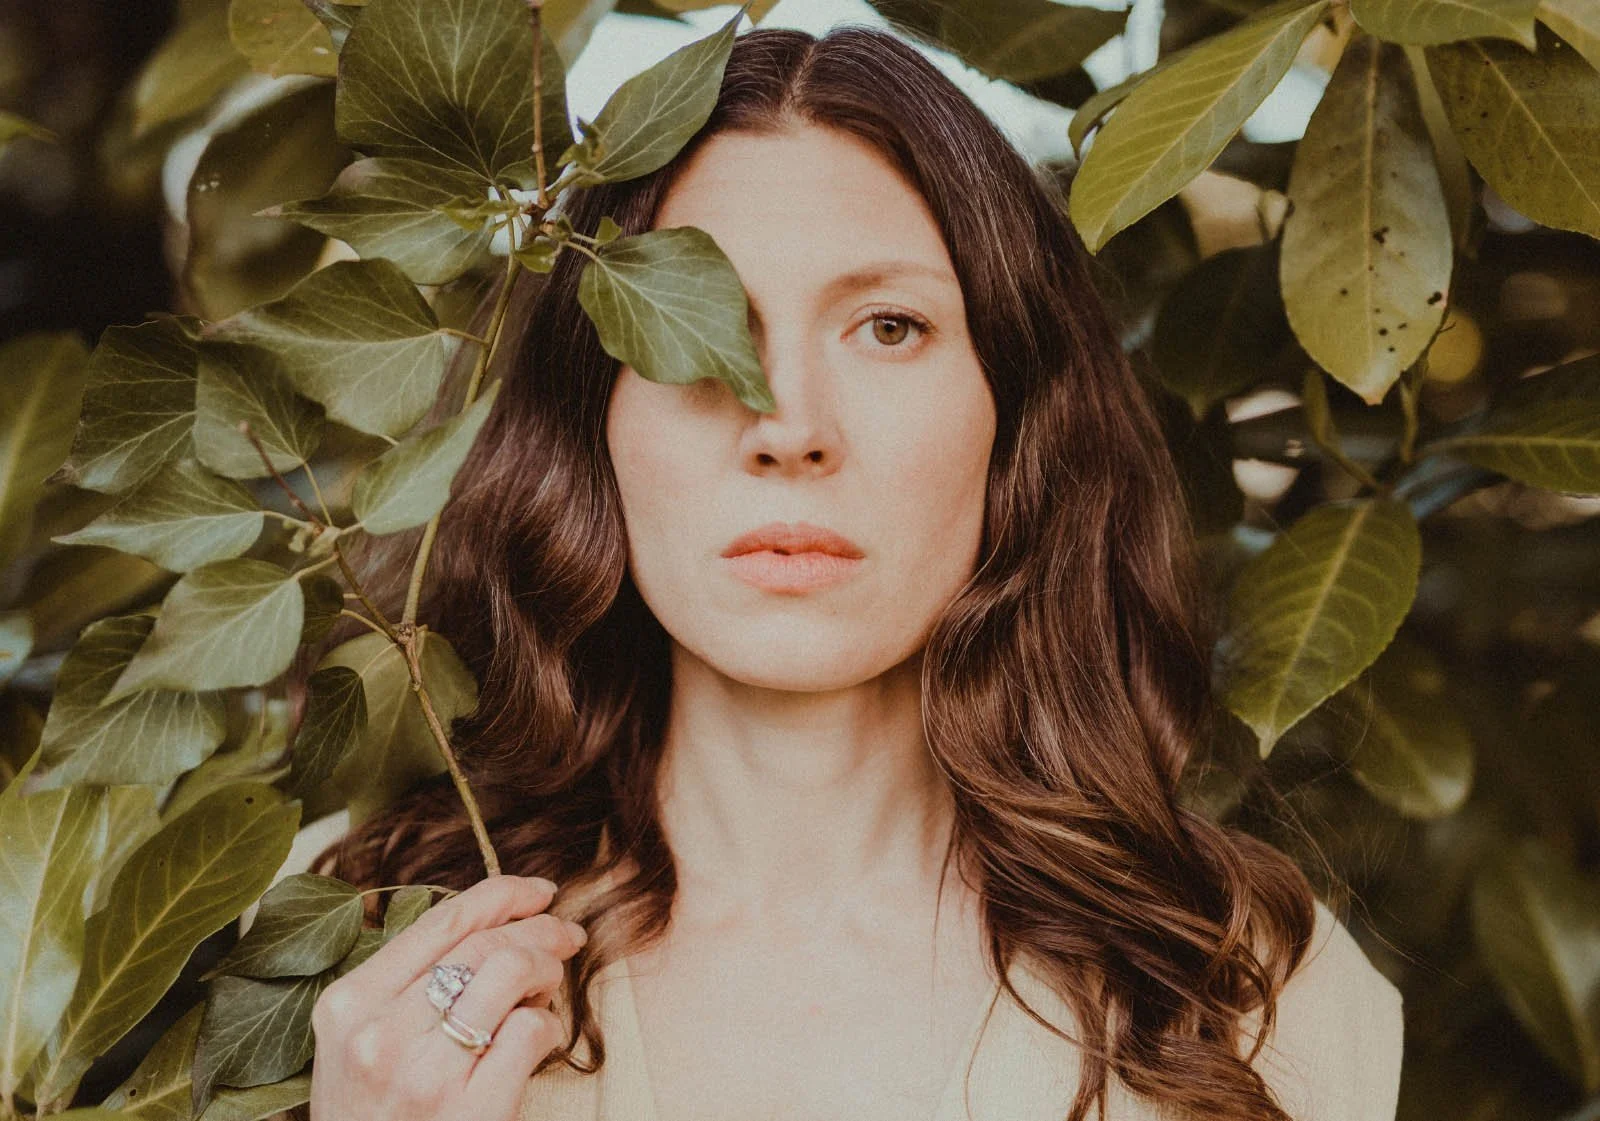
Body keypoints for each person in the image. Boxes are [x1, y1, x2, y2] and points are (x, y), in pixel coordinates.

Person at [292, 21, 1405, 1121]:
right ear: (591, 422)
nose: (789, 427)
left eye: (888, 327)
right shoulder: (352, 956)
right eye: (697, 325)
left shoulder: (1255, 992)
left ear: (1015, 414)